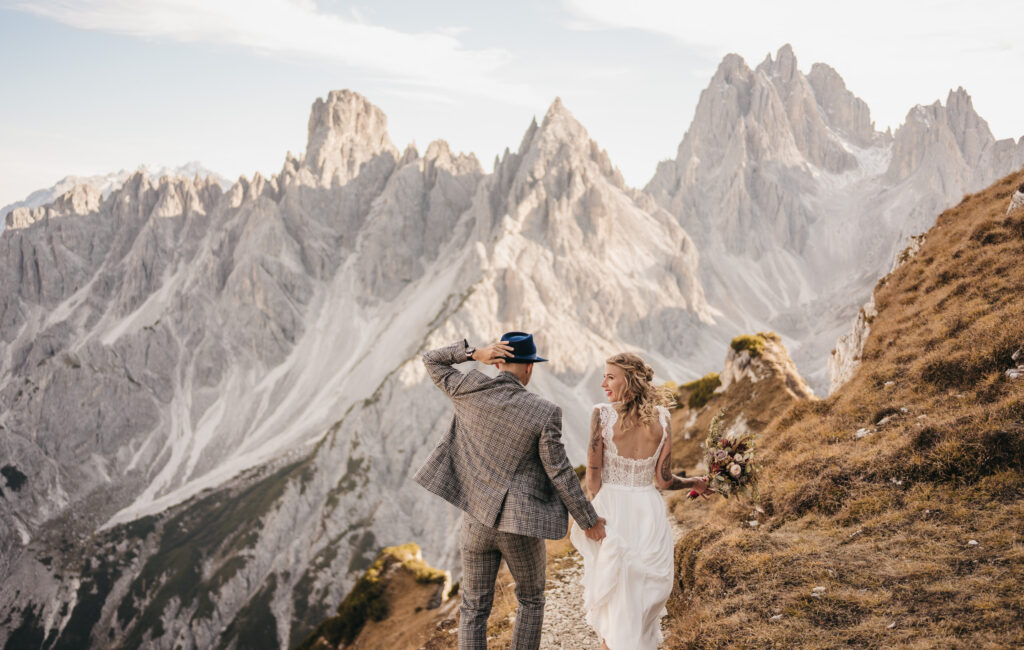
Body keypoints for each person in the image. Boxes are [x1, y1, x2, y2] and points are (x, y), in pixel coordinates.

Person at [414, 332, 607, 650]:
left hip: (476, 522)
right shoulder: (543, 411)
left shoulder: (469, 388)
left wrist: (474, 353)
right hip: (520, 526)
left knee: (473, 610)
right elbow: (559, 473)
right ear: (529, 368)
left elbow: (430, 359)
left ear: (498, 362)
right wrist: (589, 520)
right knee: (531, 600)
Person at [570, 352, 708, 650]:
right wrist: (694, 481)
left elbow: (593, 474)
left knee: (617, 598)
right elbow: (665, 480)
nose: (603, 382)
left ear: (629, 380)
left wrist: (594, 513)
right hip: (648, 511)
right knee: (640, 599)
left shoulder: (601, 415)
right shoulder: (663, 418)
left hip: (612, 508)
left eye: (610, 376)